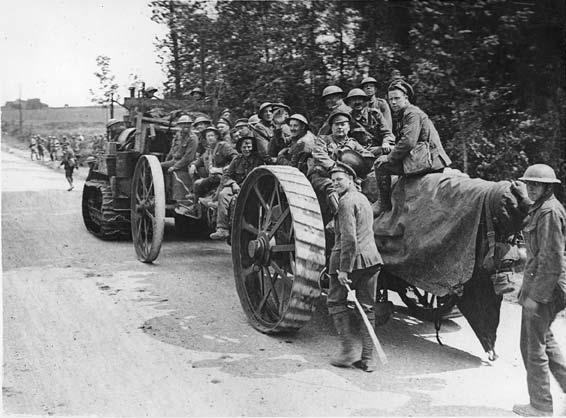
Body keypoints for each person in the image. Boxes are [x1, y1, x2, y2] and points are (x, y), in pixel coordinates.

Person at [512, 164, 566, 417]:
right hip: (545, 284)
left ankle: (541, 406)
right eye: (528, 183)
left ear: (548, 187)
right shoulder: (541, 208)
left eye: (536, 184)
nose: (531, 187)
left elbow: (552, 259)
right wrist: (523, 197)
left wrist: (536, 297)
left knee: (532, 346)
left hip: (548, 287)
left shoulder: (549, 212)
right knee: (545, 341)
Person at [327, 161, 383, 372]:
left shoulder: (345, 202)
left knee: (335, 302)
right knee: (367, 307)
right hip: (372, 260)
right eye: (332, 181)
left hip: (351, 260)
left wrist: (344, 269)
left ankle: (347, 350)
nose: (335, 184)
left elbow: (349, 239)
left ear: (351, 179)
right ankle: (367, 359)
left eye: (339, 179)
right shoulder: (363, 199)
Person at [372, 80, 451, 216]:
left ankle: (383, 204)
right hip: (424, 156)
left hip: (429, 160)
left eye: (397, 98)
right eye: (391, 99)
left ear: (406, 98)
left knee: (380, 165)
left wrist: (389, 158)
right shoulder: (404, 114)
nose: (393, 102)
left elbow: (409, 141)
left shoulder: (412, 113)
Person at [309, 110, 373, 225]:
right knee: (332, 187)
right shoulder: (323, 140)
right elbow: (319, 155)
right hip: (322, 175)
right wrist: (335, 167)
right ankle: (340, 219)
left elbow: (366, 156)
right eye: (336, 125)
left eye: (343, 124)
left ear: (348, 127)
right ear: (332, 127)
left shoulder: (353, 143)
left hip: (346, 178)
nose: (340, 127)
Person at [210, 136, 268, 240]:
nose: (246, 149)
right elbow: (226, 176)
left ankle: (236, 228)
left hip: (251, 189)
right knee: (223, 194)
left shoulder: (258, 160)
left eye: (249, 146)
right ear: (240, 148)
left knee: (237, 201)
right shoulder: (237, 160)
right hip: (236, 186)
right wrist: (233, 184)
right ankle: (222, 228)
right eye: (244, 147)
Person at [185, 126, 238, 217]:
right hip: (213, 178)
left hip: (223, 176)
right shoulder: (209, 150)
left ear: (217, 136)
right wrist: (193, 165)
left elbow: (236, 158)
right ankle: (196, 207)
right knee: (197, 183)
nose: (209, 138)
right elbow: (200, 160)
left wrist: (225, 168)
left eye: (212, 136)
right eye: (208, 136)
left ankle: (200, 206)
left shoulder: (223, 146)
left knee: (198, 184)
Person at [161, 115, 199, 213]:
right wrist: (167, 160)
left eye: (188, 124)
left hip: (185, 165)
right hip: (174, 160)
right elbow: (172, 150)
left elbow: (188, 158)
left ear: (191, 125)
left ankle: (170, 196)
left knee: (166, 169)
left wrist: (174, 167)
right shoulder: (178, 135)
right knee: (157, 167)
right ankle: (161, 192)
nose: (185, 126)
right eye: (183, 124)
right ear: (179, 125)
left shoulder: (193, 138)